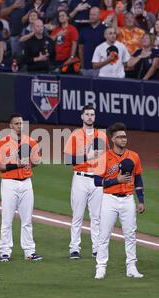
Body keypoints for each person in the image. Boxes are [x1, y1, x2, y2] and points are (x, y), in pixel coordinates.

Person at [94, 122, 145, 280]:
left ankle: (131, 267)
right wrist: (117, 180)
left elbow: (138, 180)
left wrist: (141, 200)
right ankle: (101, 267)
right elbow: (97, 181)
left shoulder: (134, 156)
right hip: (109, 199)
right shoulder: (104, 157)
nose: (124, 139)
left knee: (130, 234)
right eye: (120, 137)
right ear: (112, 139)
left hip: (128, 199)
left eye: (125, 136)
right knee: (104, 235)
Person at [0, 113, 43, 262]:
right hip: (9, 183)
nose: (19, 126)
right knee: (7, 219)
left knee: (27, 219)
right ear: (10, 126)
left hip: (26, 183)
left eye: (21, 123)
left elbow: (37, 162)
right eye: (16, 124)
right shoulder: (2, 143)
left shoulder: (31, 142)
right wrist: (16, 164)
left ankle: (29, 252)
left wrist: (33, 159)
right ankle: (5, 251)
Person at [63, 104, 109, 259]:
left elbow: (106, 158)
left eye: (92, 114)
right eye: (87, 114)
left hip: (97, 179)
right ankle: (74, 248)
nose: (90, 117)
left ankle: (97, 248)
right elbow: (67, 160)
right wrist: (86, 157)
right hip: (80, 178)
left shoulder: (102, 136)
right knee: (77, 215)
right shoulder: (75, 135)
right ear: (82, 117)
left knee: (97, 216)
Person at [79, 6, 106, 76]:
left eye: (94, 14)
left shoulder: (105, 30)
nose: (92, 16)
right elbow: (81, 48)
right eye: (90, 14)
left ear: (99, 15)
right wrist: (82, 66)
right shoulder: (84, 30)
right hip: (86, 68)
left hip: (101, 68)